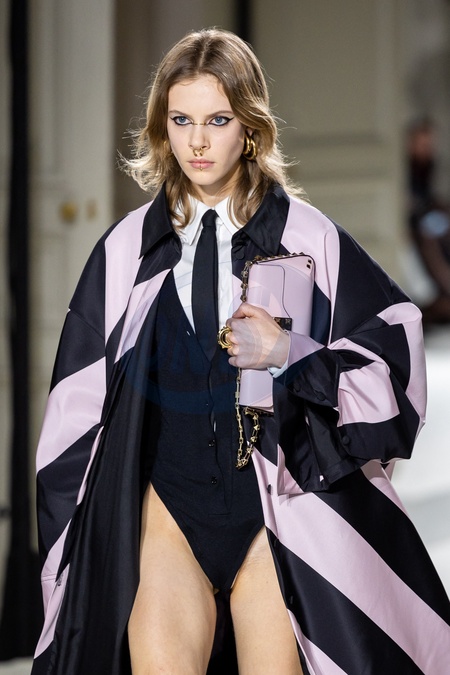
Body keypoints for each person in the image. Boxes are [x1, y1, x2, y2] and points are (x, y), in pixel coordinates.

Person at [32, 28, 450, 675]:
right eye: (181, 120)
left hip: (273, 518)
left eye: (218, 120)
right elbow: (73, 419)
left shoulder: (310, 241)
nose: (197, 142)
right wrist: (72, 564)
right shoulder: (124, 252)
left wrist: (290, 349)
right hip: (166, 518)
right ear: (162, 127)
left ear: (250, 128)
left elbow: (395, 372)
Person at [407, 118, 450, 325]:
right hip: (415, 225)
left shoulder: (433, 167)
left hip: (428, 218)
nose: (426, 149)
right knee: (430, 236)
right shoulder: (402, 167)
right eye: (422, 144)